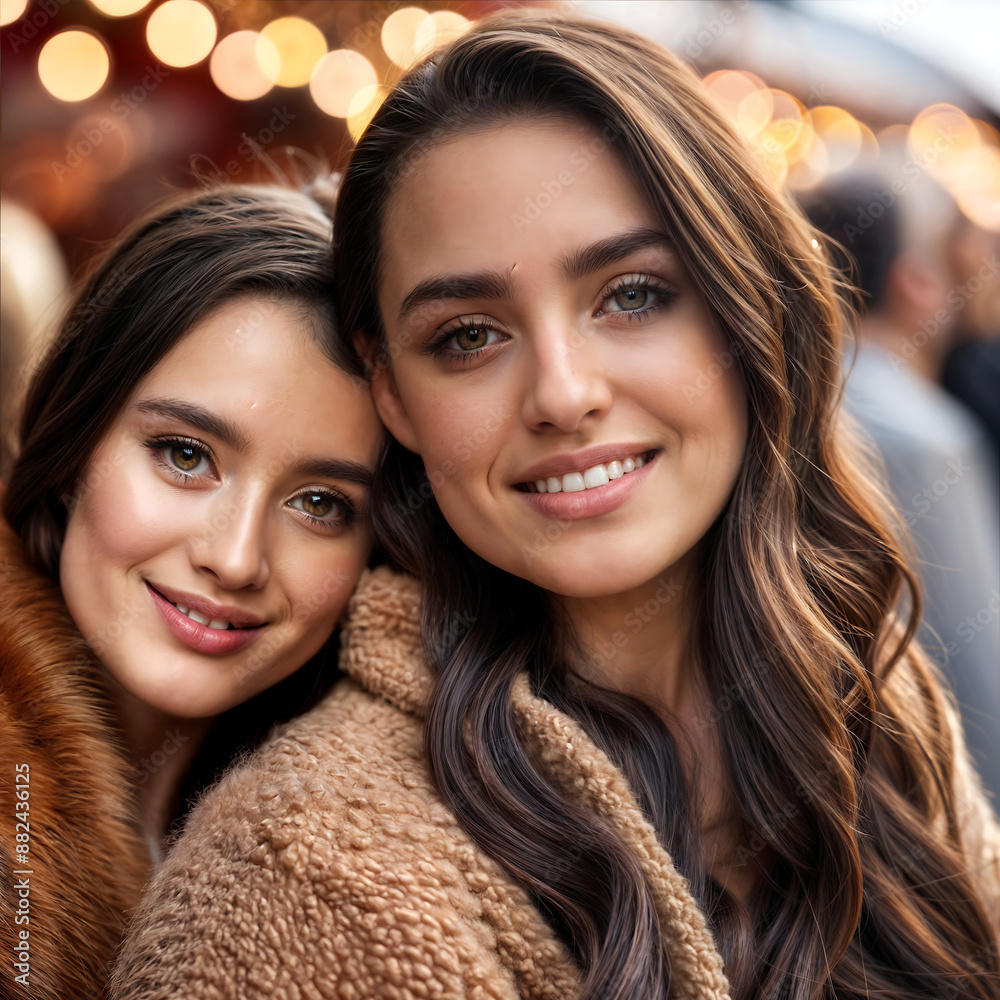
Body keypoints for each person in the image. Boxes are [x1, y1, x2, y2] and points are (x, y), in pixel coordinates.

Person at [109, 12, 1000, 1000]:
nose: (562, 392)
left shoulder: (869, 683)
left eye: (629, 294)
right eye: (467, 335)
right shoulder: (294, 884)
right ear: (392, 391)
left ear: (743, 302)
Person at [0, 183, 383, 1000]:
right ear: (73, 449)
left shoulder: (358, 826)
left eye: (321, 504)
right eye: (183, 455)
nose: (236, 557)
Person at [803, 168, 1000, 799]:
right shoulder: (923, 438)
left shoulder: (803, 399)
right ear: (916, 282)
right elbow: (982, 686)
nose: (984, 261)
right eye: (960, 244)